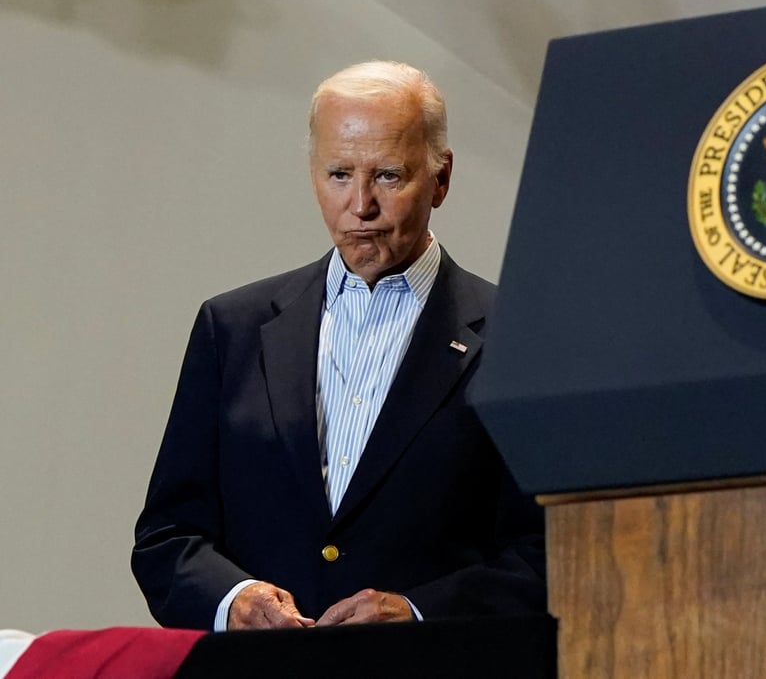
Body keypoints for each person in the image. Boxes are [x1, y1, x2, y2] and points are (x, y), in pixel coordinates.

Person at [131, 60, 546, 631]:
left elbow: (550, 554)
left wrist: (420, 612)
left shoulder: (519, 337)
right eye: (339, 174)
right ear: (312, 173)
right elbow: (168, 537)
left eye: (388, 176)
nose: (361, 205)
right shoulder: (231, 328)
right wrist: (234, 599)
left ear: (441, 178)